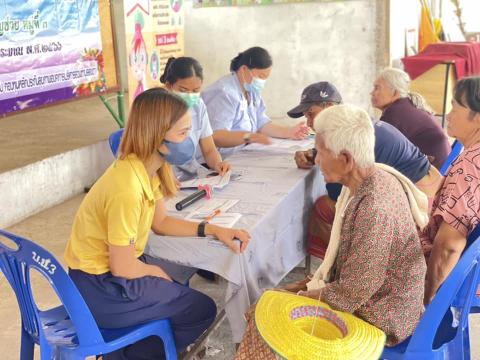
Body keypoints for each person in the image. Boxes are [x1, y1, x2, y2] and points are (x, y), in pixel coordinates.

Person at [64, 88, 251, 359]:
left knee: (179, 288)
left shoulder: (145, 168)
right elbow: (123, 266)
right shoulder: (126, 187)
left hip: (108, 277)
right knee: (200, 309)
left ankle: (129, 352)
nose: (190, 141)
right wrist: (156, 273)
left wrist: (212, 229)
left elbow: (161, 222)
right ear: (158, 138)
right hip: (100, 288)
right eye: (183, 133)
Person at [235, 105, 427, 359]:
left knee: (268, 321)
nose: (316, 160)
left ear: (346, 159)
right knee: (269, 301)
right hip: (374, 297)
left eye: (321, 152)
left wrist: (305, 294)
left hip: (382, 315)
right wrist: (305, 288)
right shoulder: (371, 178)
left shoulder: (374, 208)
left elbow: (353, 292)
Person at [286, 82, 442, 267]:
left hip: (424, 203)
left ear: (329, 107)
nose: (309, 123)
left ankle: (341, 266)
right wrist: (314, 155)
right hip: (426, 189)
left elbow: (340, 195)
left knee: (328, 209)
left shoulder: (372, 208)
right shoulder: (357, 124)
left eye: (311, 114)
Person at [422, 76, 480, 305]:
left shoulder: (469, 167)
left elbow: (448, 247)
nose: (448, 115)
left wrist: (428, 302)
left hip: (458, 278)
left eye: (455, 107)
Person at [201, 46, 309, 156]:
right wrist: (248, 137)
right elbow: (216, 136)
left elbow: (261, 123)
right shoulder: (223, 93)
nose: (262, 81)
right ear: (244, 69)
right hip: (218, 161)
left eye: (265, 78)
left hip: (241, 155)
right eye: (260, 76)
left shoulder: (251, 90)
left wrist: (289, 132)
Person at [160, 56, 230, 177]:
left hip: (191, 176)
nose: (190, 95)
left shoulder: (198, 105)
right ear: (169, 86)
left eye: (195, 91)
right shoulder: (154, 109)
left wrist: (218, 164)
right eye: (183, 90)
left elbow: (209, 150)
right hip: (162, 177)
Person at [371, 67, 450, 170]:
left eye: (377, 88)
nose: (372, 93)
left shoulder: (396, 113)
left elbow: (377, 149)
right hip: (438, 166)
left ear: (395, 93)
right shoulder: (404, 106)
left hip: (432, 172)